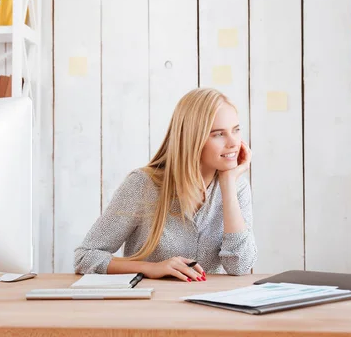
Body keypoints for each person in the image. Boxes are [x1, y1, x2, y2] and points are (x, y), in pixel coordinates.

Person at [74, 87, 257, 282]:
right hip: (153, 306)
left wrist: (228, 184)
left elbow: (241, 266)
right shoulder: (143, 185)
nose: (233, 143)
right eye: (218, 134)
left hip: (209, 307)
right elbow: (85, 257)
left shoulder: (238, 187)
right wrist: (150, 268)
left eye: (236, 130)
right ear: (192, 138)